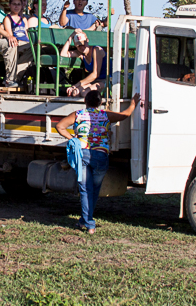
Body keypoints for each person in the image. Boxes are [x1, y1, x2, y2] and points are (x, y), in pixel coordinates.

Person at [56, 90, 140, 234]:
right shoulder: (105, 115)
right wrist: (133, 104)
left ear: (85, 102)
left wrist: (73, 139)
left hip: (82, 154)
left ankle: (87, 222)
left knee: (85, 189)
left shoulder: (79, 114)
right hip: (101, 155)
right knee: (93, 190)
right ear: (100, 103)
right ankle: (87, 221)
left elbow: (60, 126)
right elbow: (124, 115)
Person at [60, 29, 108, 97]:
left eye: (83, 43)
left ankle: (91, 107)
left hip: (105, 81)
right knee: (75, 93)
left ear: (87, 40)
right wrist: (71, 36)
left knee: (85, 93)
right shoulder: (81, 54)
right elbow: (63, 54)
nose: (82, 47)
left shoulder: (96, 50)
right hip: (93, 82)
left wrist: (75, 85)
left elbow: (95, 74)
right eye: (79, 45)